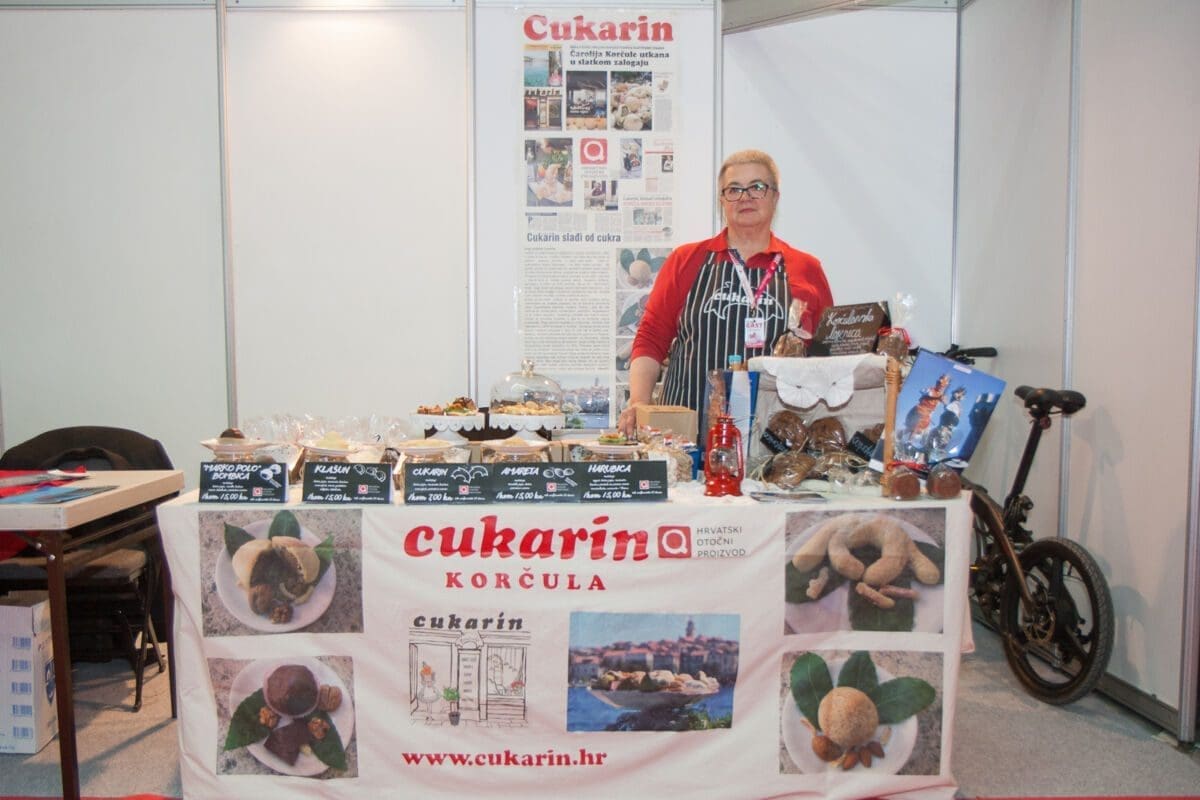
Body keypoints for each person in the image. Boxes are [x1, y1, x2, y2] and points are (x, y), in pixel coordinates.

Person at [617, 149, 833, 437]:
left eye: (757, 187)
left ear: (775, 197)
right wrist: (639, 402)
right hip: (686, 435)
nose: (745, 197)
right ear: (722, 200)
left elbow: (826, 355)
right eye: (734, 189)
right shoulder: (686, 260)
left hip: (776, 438)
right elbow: (651, 337)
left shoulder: (806, 268)